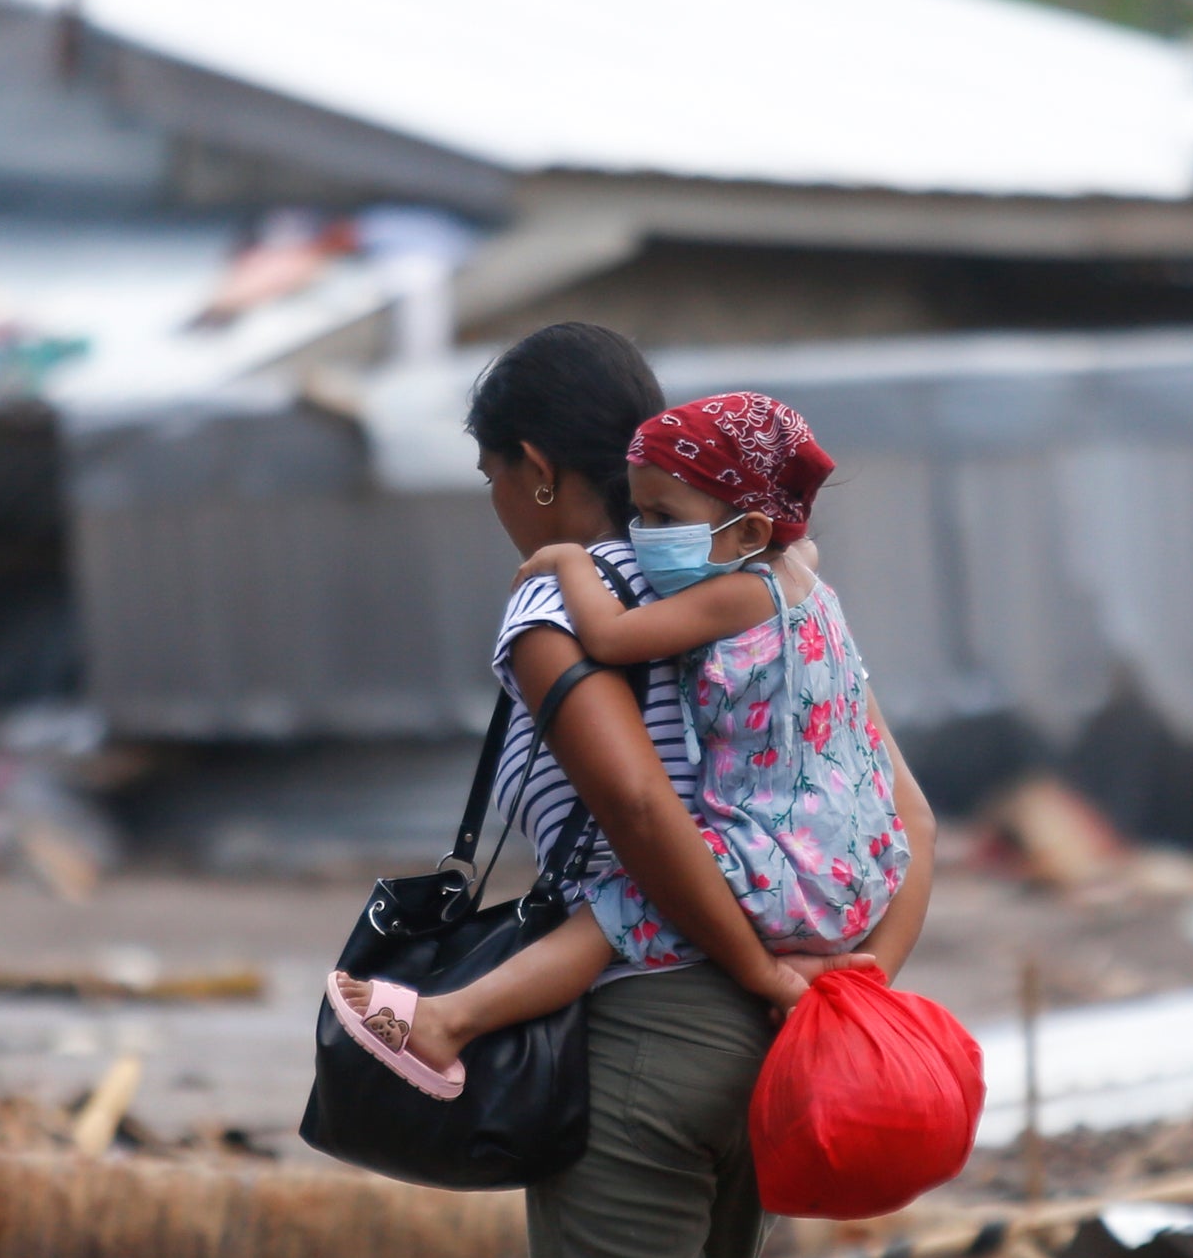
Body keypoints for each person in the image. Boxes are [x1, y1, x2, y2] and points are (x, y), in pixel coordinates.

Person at [436, 327, 940, 1258]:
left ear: (536, 467)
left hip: (657, 1024)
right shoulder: (786, 591)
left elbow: (640, 809)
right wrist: (835, 992)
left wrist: (735, 966)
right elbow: (905, 816)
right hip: (776, 1042)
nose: (499, 505)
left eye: (491, 474)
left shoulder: (554, 598)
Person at [324, 389, 909, 1091]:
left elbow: (609, 643)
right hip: (850, 869)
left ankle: (450, 1020)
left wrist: (568, 562)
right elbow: (922, 822)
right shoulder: (803, 577)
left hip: (776, 866)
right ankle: (805, 965)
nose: (641, 533)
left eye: (662, 517)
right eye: (637, 513)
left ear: (751, 534)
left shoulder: (740, 592)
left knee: (615, 908)